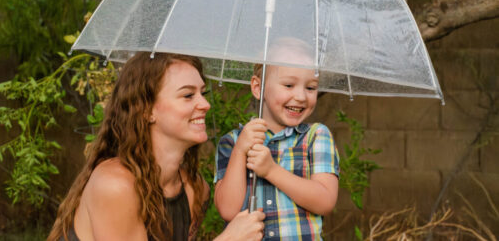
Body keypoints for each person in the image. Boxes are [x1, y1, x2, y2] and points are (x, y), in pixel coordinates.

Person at [47, 52, 265, 241]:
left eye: (203, 93)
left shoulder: (194, 190)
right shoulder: (115, 186)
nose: (205, 104)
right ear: (147, 110)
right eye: (188, 95)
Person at [214, 39, 340, 240]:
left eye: (310, 88)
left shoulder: (316, 137)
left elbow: (325, 201)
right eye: (289, 85)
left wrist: (271, 171)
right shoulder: (233, 142)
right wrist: (240, 151)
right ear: (258, 87)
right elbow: (228, 210)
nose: (300, 96)